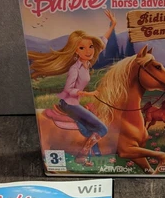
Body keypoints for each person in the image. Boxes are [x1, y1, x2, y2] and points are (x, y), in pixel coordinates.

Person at [29, 10, 117, 163]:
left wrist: (113, 25)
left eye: (90, 46)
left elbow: (102, 43)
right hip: (69, 104)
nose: (88, 51)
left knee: (94, 123)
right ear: (75, 50)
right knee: (102, 128)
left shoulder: (87, 62)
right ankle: (81, 156)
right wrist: (89, 94)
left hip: (74, 103)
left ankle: (94, 153)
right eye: (82, 48)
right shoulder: (74, 69)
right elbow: (69, 90)